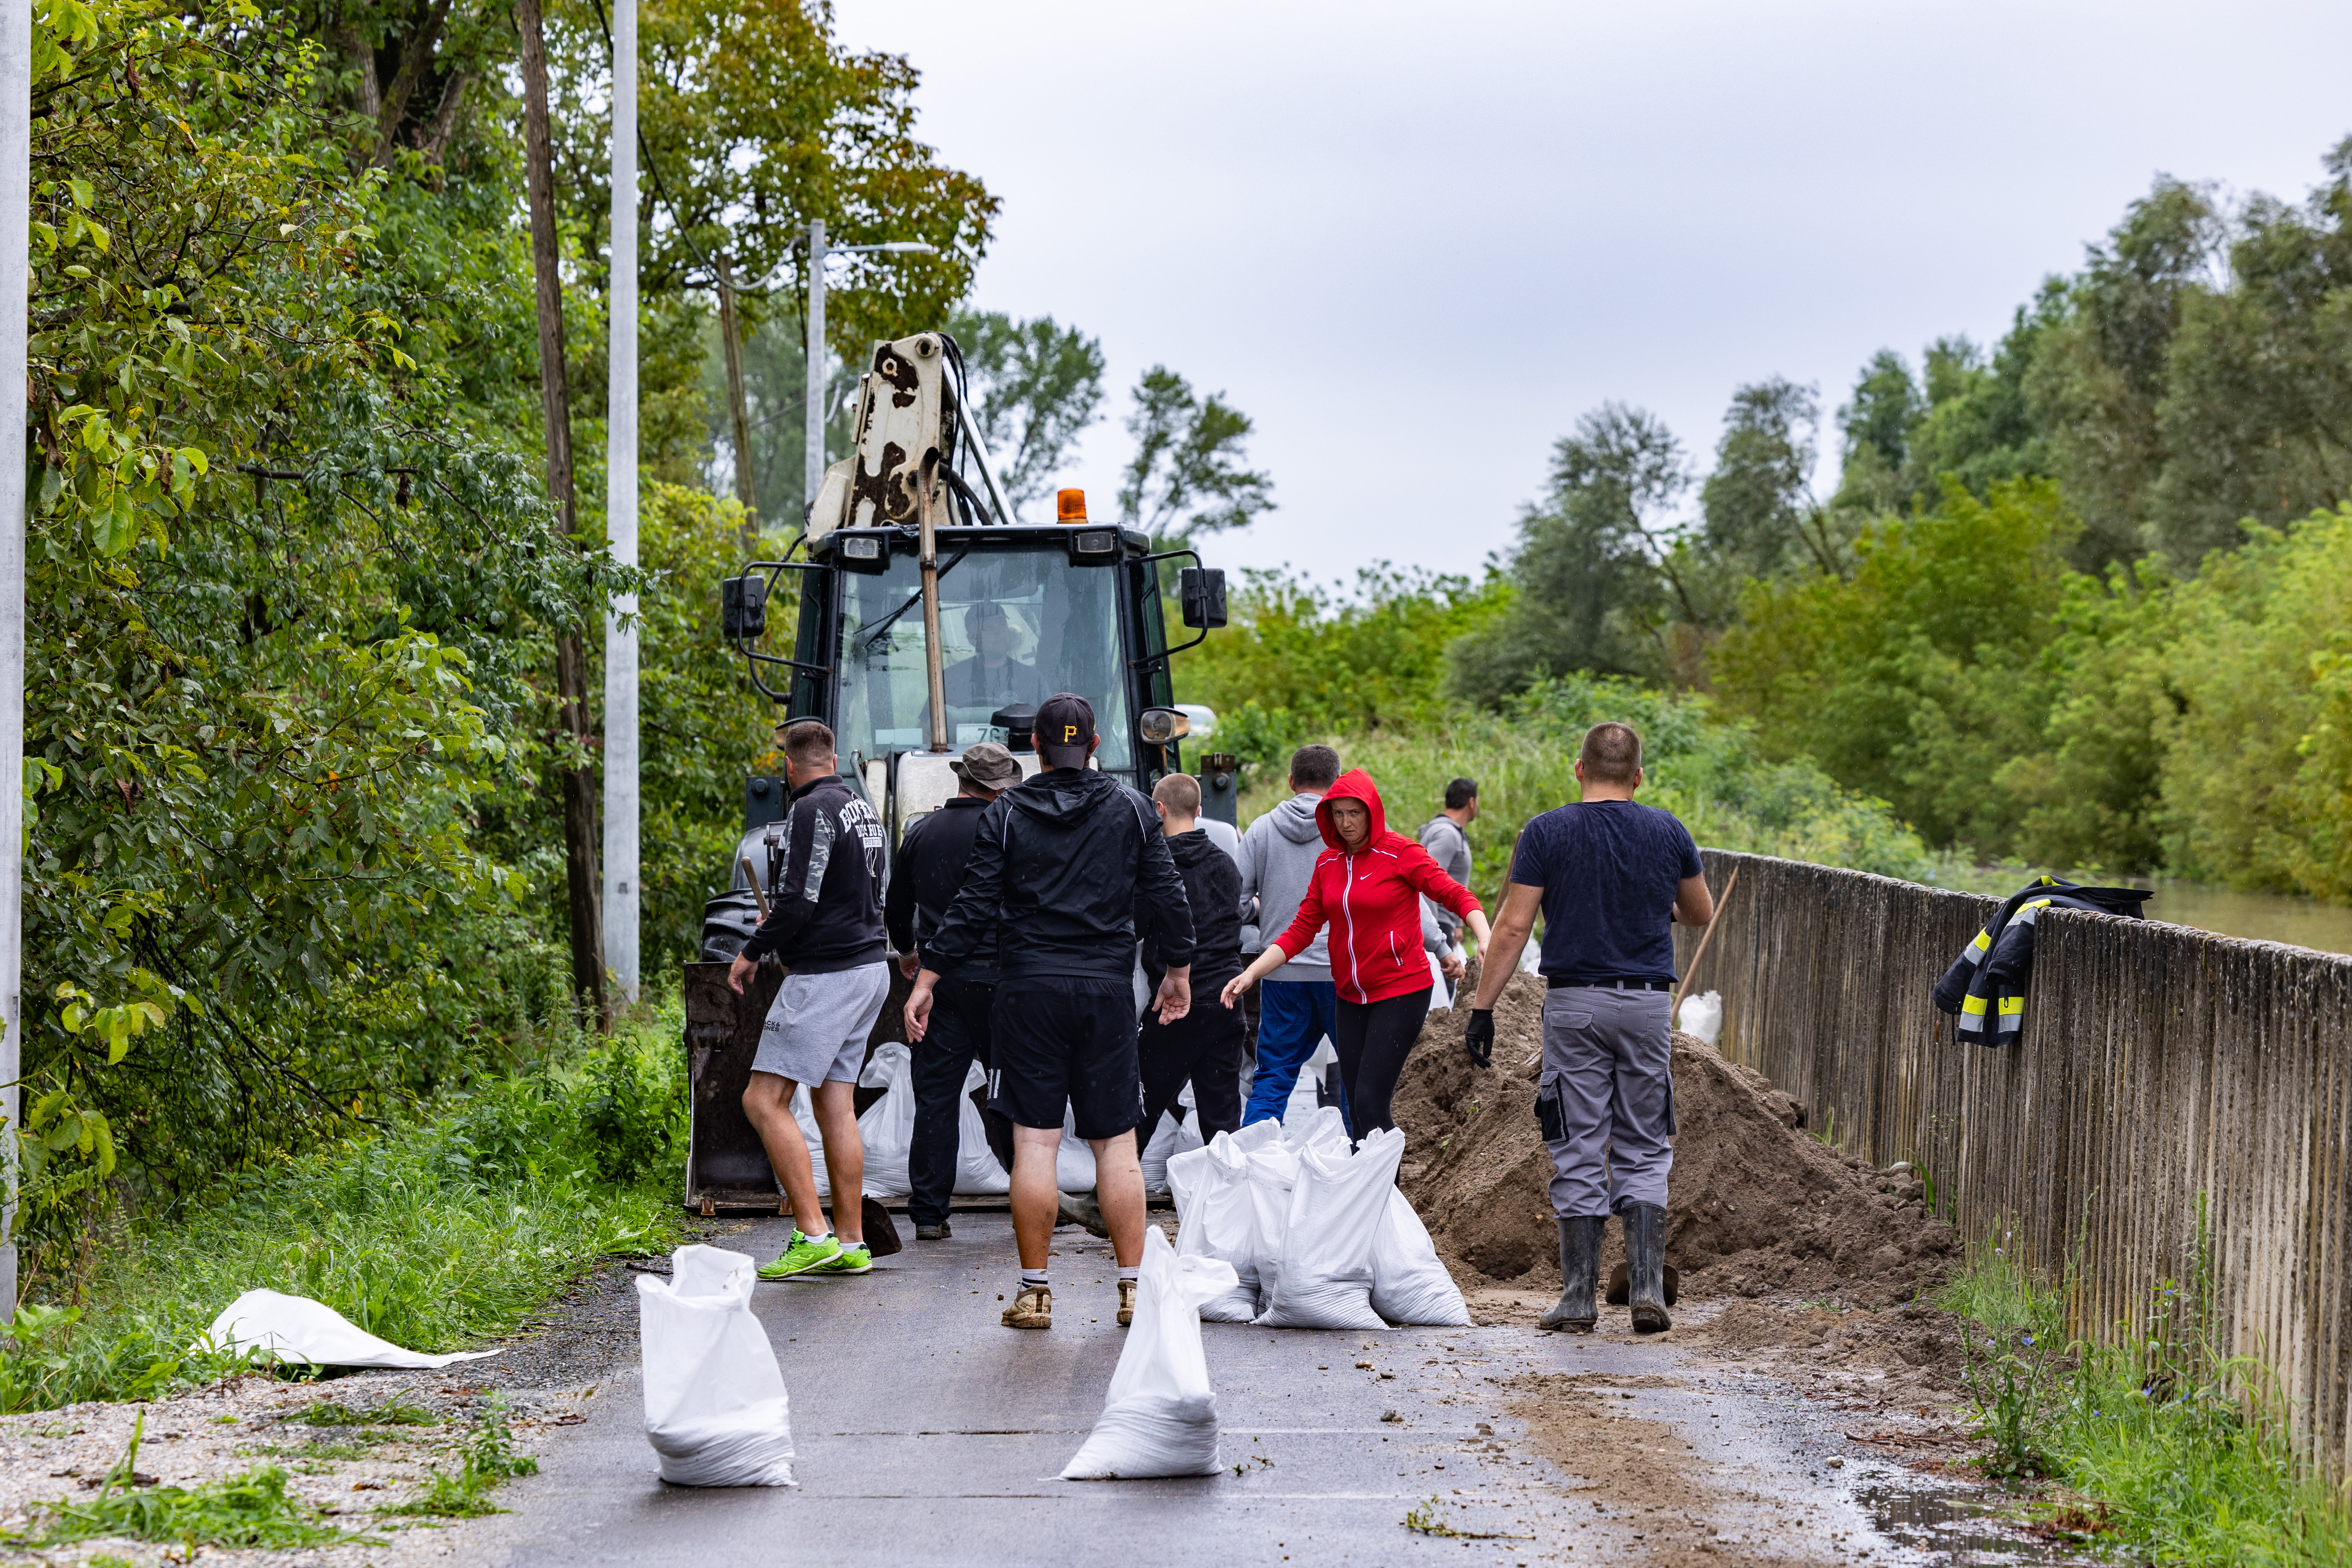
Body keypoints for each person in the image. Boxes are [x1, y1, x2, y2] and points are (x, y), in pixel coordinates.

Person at [906, 693, 1196, 1332]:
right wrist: (1177, 971)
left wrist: (928, 978)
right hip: (1105, 991)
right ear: (1095, 746)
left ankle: (1035, 1293)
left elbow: (972, 906)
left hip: (1028, 993)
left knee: (1034, 1143)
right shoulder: (1132, 808)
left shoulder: (1006, 812)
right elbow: (1168, 895)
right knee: (1116, 1145)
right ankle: (1131, 1289)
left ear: (1033, 747)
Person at [1464, 721, 1714, 1336]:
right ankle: (1647, 1289)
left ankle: (1578, 1298)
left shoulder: (1546, 832)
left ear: (1579, 770)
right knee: (1645, 1141)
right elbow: (1699, 911)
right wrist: (1655, 904)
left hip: (1575, 1005)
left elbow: (1513, 928)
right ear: (1638, 777)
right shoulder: (1668, 830)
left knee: (1578, 1142)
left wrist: (1482, 1007)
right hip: (1647, 1006)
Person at [1221, 769, 1491, 1140]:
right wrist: (1252, 973)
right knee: (1356, 1104)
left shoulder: (1401, 852)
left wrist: (1484, 935)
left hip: (1401, 990)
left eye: (1354, 813)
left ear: (1372, 812)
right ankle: (1365, 1175)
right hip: (1349, 995)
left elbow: (1454, 894)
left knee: (1369, 1103)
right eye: (1338, 814)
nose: (1346, 823)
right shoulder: (1328, 864)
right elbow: (1300, 930)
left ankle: (1387, 1179)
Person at [727, 720, 891, 1280]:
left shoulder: (807, 809)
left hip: (827, 976)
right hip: (869, 968)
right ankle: (851, 1242)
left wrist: (752, 950)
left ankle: (812, 1235)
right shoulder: (860, 808)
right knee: (834, 1104)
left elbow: (800, 900)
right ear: (835, 760)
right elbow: (850, 893)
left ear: (789, 768)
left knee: (762, 1101)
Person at [883, 741, 1023, 1242]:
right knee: (1013, 1094)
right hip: (1004, 982)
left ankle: (928, 1213)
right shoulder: (1009, 829)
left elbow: (896, 905)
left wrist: (908, 952)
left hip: (940, 982)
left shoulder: (922, 832)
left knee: (937, 1096)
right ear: (999, 789)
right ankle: (1028, 1200)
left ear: (962, 780)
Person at [1236, 744, 1343, 1126]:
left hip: (1280, 971)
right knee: (1353, 1074)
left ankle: (1254, 1154)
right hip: (1339, 973)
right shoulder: (1347, 830)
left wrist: (1260, 912)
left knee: (1274, 1073)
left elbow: (1234, 900)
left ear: (1291, 781)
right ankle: (1359, 1155)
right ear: (1337, 784)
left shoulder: (1262, 829)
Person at [1137, 773, 1247, 1141]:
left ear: (1159, 809)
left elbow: (1134, 927)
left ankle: (1117, 1178)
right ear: (1199, 811)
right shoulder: (1226, 864)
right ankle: (1228, 1178)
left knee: (1138, 1111)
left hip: (1175, 1005)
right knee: (1223, 1119)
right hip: (1227, 1001)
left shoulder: (1156, 869)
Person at [941, 600, 1047, 713]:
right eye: (990, 628)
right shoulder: (950, 680)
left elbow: (1050, 722)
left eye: (1002, 625)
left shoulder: (1033, 680)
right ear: (972, 638)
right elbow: (929, 723)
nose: (999, 632)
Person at [1420, 778, 1479, 949]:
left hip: (1446, 924)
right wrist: (1432, 932)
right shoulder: (1447, 834)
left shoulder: (1448, 831)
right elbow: (1427, 880)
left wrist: (1457, 923)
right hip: (1439, 925)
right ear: (1472, 802)